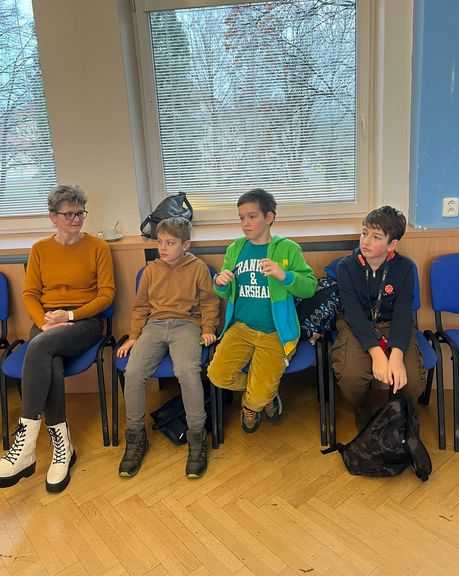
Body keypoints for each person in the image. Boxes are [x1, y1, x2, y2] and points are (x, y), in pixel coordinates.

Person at [0, 185, 115, 492]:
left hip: (84, 322)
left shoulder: (98, 247)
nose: (76, 219)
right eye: (69, 214)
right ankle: (63, 450)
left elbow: (106, 295)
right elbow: (30, 293)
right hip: (47, 323)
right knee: (47, 355)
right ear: (53, 217)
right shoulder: (40, 249)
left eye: (80, 213)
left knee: (38, 347)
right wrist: (44, 321)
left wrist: (70, 316)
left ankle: (25, 446)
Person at [207, 188, 317, 433]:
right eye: (241, 218)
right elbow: (224, 291)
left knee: (257, 399)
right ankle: (265, 391)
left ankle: (255, 401)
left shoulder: (288, 249)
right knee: (217, 375)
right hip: (240, 328)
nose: (245, 223)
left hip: (274, 332)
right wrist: (220, 283)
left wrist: (284, 276)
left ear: (269, 217)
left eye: (252, 216)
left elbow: (310, 287)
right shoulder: (235, 249)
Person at [117, 217, 219, 479]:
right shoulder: (151, 270)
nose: (162, 248)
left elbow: (209, 302)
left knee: (187, 371)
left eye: (170, 243)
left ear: (185, 244)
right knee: (133, 372)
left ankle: (197, 437)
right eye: (160, 242)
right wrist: (134, 336)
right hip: (155, 325)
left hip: (187, 325)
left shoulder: (198, 268)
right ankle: (136, 437)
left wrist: (208, 328)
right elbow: (140, 306)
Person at [331, 205, 426, 430]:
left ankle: (398, 412)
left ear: (392, 244)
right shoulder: (346, 267)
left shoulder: (405, 268)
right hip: (357, 325)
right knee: (351, 378)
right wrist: (376, 353)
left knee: (412, 382)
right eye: (364, 233)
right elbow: (353, 313)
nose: (366, 241)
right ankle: (363, 408)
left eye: (376, 237)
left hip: (392, 324)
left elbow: (403, 313)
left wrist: (396, 356)